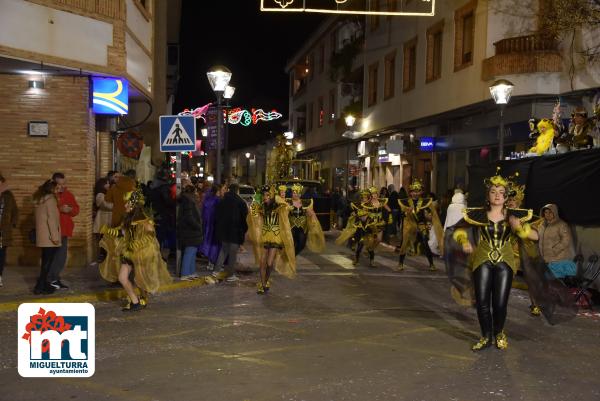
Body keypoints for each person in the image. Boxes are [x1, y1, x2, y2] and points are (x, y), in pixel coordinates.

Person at [447, 171, 538, 351]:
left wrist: (519, 228)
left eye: (501, 192)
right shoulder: (478, 215)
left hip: (505, 262)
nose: (497, 195)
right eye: (493, 192)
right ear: (488, 195)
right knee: (482, 301)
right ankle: (486, 336)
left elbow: (535, 236)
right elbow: (457, 231)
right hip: (482, 260)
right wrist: (464, 242)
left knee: (500, 302)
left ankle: (499, 332)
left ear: (506, 197)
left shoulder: (514, 216)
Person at [99, 184, 172, 311]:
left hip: (141, 253)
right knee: (122, 278)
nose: (125, 206)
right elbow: (121, 233)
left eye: (127, 203)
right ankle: (135, 301)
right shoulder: (127, 218)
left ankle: (142, 299)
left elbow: (151, 235)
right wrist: (108, 231)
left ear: (134, 205)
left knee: (141, 279)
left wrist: (138, 244)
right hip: (128, 252)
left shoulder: (143, 219)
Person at [247, 185, 295, 294]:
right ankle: (263, 284)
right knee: (262, 262)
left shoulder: (278, 206)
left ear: (272, 195)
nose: (265, 197)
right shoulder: (261, 206)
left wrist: (284, 204)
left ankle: (266, 281)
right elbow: (253, 215)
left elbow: (286, 208)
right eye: (264, 195)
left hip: (275, 236)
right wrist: (254, 205)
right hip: (264, 236)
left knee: (269, 263)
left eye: (268, 195)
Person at [397, 179, 443, 271]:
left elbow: (430, 216)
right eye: (414, 191)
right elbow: (401, 215)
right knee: (404, 244)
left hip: (421, 225)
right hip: (409, 225)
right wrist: (407, 213)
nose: (416, 193)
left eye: (418, 191)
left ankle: (431, 264)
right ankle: (400, 263)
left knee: (425, 243)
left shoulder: (425, 202)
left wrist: (428, 216)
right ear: (410, 192)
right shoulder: (405, 202)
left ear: (421, 192)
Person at [49, 172, 80, 290]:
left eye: (63, 184)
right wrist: (59, 209)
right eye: (59, 184)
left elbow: (76, 210)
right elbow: (45, 211)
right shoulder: (49, 195)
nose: (62, 187)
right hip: (51, 230)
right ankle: (50, 279)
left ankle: (54, 278)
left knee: (61, 257)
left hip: (64, 230)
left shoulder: (68, 194)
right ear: (53, 182)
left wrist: (70, 210)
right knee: (51, 257)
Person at [212, 183, 249, 282]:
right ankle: (230, 275)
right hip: (235, 231)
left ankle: (216, 270)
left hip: (224, 231)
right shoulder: (240, 202)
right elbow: (244, 218)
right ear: (237, 190)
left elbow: (218, 215)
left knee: (223, 251)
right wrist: (244, 229)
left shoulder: (222, 200)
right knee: (233, 254)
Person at [33, 180, 61, 295]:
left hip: (42, 236)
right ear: (51, 189)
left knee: (45, 261)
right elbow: (52, 220)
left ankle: (42, 285)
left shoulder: (39, 200)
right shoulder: (50, 200)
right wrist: (55, 237)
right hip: (50, 237)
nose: (58, 190)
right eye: (56, 188)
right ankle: (40, 286)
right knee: (47, 263)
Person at [536, 204, 577, 278]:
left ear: (555, 212)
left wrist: (554, 250)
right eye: (546, 212)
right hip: (545, 259)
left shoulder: (561, 225)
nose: (548, 214)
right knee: (546, 280)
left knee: (555, 281)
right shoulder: (542, 225)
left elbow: (566, 241)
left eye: (550, 212)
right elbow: (538, 238)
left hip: (558, 259)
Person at [286, 183, 325, 256]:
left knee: (301, 244)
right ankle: (291, 257)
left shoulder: (305, 202)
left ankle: (292, 256)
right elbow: (284, 214)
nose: (295, 194)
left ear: (300, 194)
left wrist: (312, 217)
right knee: (291, 244)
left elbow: (311, 212)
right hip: (291, 228)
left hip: (303, 228)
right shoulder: (288, 202)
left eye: (297, 193)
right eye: (294, 193)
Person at [177, 185, 203, 280]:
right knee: (189, 251)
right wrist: (198, 225)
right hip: (190, 231)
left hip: (191, 230)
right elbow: (189, 217)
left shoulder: (188, 200)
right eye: (195, 191)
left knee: (192, 251)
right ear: (192, 192)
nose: (197, 193)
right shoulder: (188, 201)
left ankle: (191, 272)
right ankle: (185, 273)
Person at [200, 184, 224, 270]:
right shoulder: (218, 200)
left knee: (209, 243)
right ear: (218, 191)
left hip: (208, 225)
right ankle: (214, 263)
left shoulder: (207, 200)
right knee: (215, 245)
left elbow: (203, 213)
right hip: (215, 225)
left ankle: (210, 263)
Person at [0, 174, 18, 287]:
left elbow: (15, 210)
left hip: (3, 231)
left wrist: (12, 224)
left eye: (1, 183)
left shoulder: (8, 196)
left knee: (1, 255)